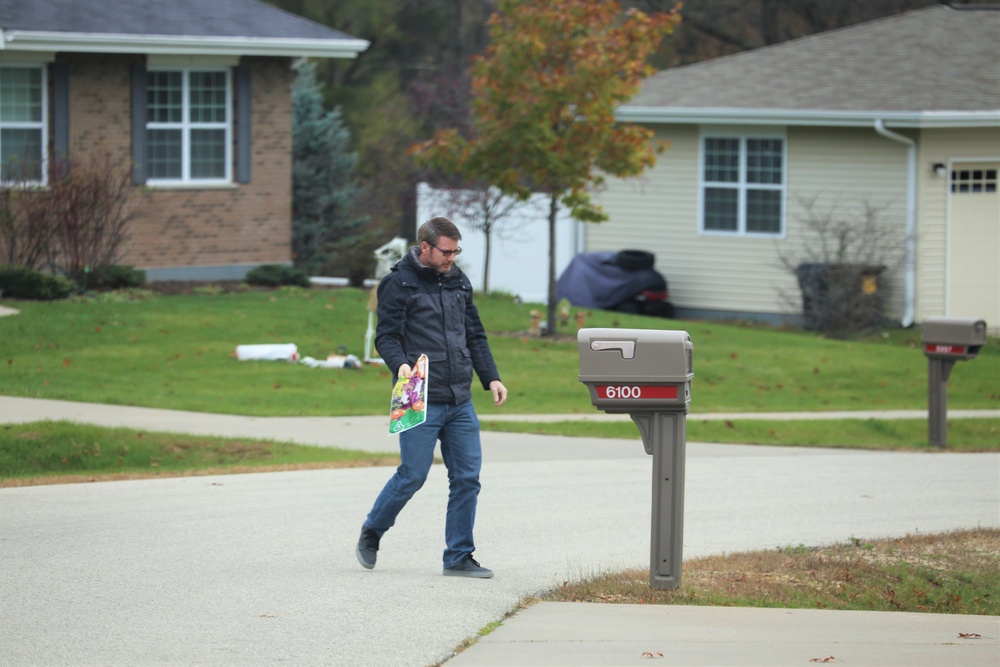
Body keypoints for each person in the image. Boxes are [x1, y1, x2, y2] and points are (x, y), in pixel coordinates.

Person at [356, 217, 508, 579]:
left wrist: (491, 378)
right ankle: (373, 530)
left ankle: (458, 556)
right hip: (416, 394)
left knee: (468, 478)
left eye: (456, 251)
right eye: (446, 251)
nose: (452, 258)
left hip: (460, 397)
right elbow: (387, 337)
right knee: (412, 475)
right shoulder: (398, 283)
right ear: (425, 247)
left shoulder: (458, 282)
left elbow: (475, 335)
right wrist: (401, 365)